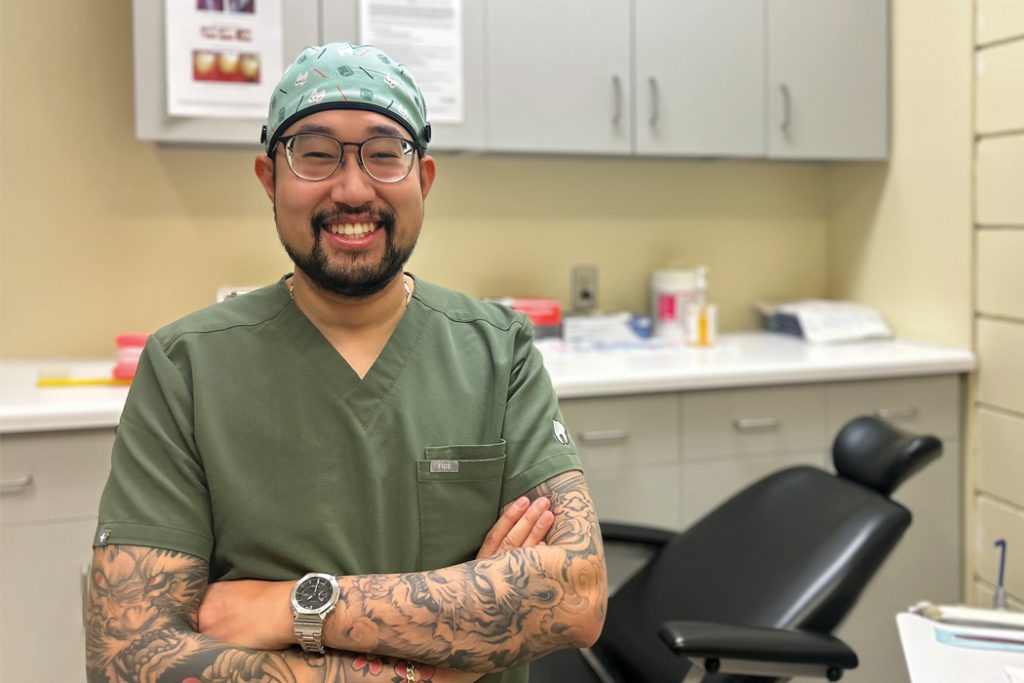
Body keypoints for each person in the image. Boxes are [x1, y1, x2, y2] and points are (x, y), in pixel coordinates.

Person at [85, 41, 607, 683]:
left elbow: (576, 597)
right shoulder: (185, 368)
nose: (353, 188)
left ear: (424, 179)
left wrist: (295, 606)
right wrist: (440, 662)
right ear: (270, 179)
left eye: (385, 153)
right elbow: (128, 659)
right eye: (315, 154)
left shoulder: (498, 350)